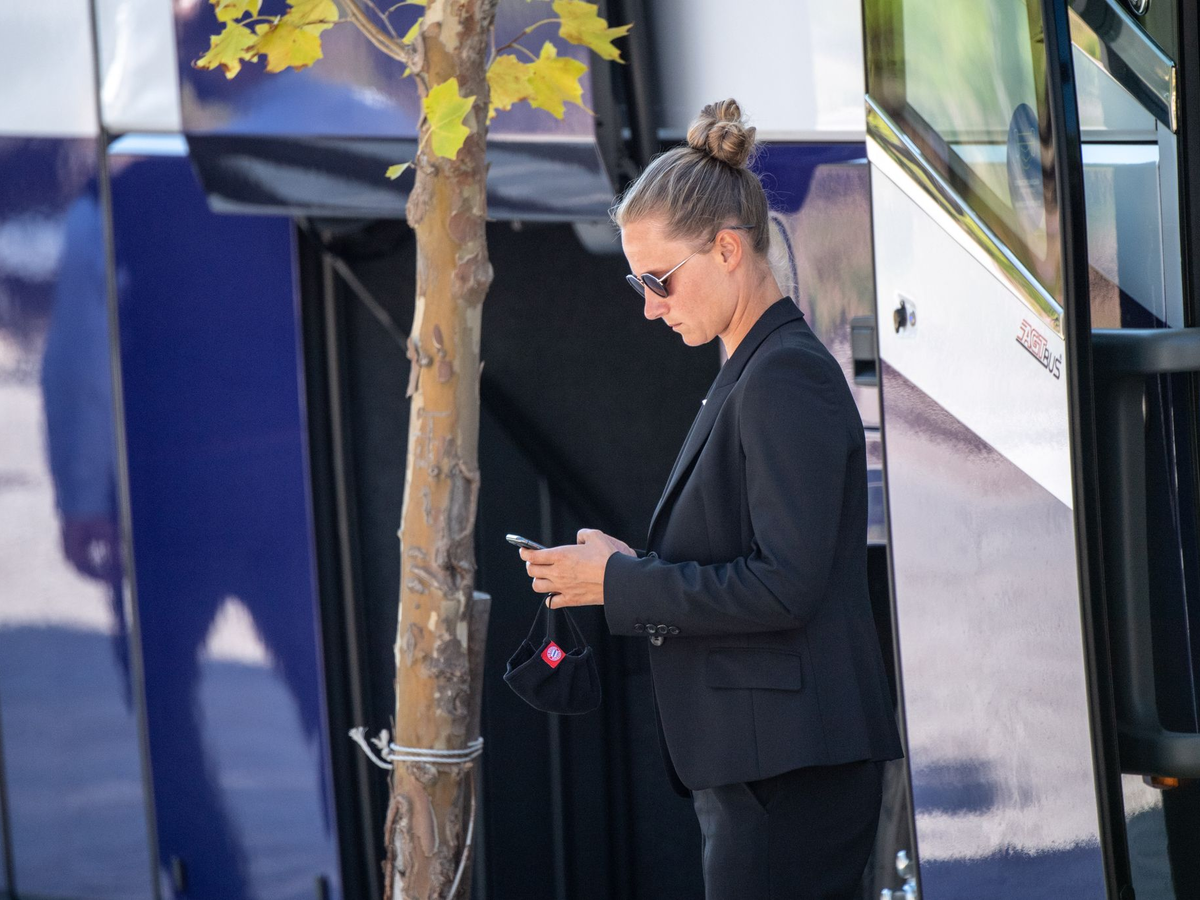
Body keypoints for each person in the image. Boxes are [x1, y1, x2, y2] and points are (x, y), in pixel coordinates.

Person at [519, 99, 903, 900]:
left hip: (789, 770)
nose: (649, 305)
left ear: (728, 249)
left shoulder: (782, 376)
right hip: (772, 764)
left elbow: (785, 583)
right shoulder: (756, 368)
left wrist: (620, 584)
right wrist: (629, 567)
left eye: (659, 280)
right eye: (637, 282)